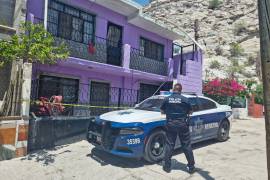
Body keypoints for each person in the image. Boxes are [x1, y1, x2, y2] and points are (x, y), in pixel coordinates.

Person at [160, 83, 195, 173]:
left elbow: (162, 111)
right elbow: (191, 112)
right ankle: (191, 166)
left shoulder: (167, 99)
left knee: (169, 145)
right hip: (182, 124)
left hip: (170, 124)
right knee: (186, 145)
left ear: (173, 89)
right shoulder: (185, 99)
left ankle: (167, 167)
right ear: (180, 90)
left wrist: (169, 112)